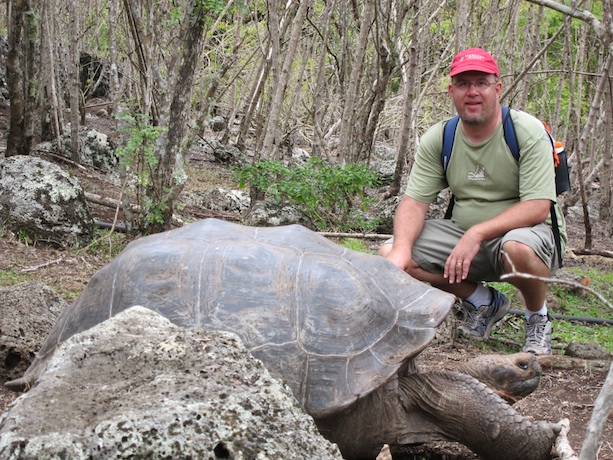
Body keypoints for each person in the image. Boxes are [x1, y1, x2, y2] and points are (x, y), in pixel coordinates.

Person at [380, 47, 566, 355]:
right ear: (451, 91)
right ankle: (483, 301)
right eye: (464, 84)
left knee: (516, 247)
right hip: (465, 237)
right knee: (391, 250)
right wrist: (400, 252)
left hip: (528, 238)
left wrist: (477, 233)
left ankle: (537, 318)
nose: (473, 91)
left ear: (498, 87)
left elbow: (538, 207)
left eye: (481, 82)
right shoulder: (442, 137)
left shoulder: (525, 132)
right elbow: (414, 202)